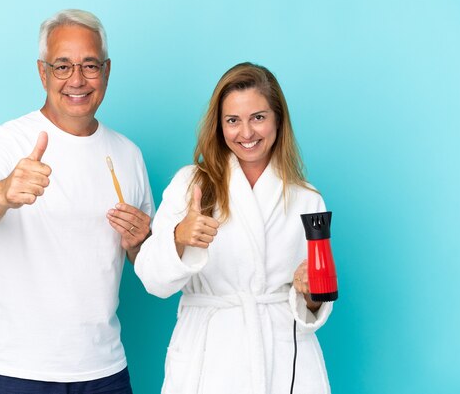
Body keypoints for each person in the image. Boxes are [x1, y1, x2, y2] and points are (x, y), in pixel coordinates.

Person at [0, 9, 154, 394]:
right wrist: (4, 191)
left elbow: (145, 263)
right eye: (62, 66)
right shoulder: (8, 140)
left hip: (103, 369)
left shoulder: (128, 155)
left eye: (90, 65)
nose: (77, 80)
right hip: (15, 368)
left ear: (107, 71)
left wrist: (140, 242)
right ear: (42, 73)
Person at [134, 62, 334, 394]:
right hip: (209, 356)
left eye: (258, 117)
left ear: (278, 119)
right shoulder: (190, 184)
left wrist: (311, 294)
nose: (246, 133)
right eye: (232, 121)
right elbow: (153, 281)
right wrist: (179, 238)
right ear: (219, 125)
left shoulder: (307, 199)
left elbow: (312, 299)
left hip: (284, 357)